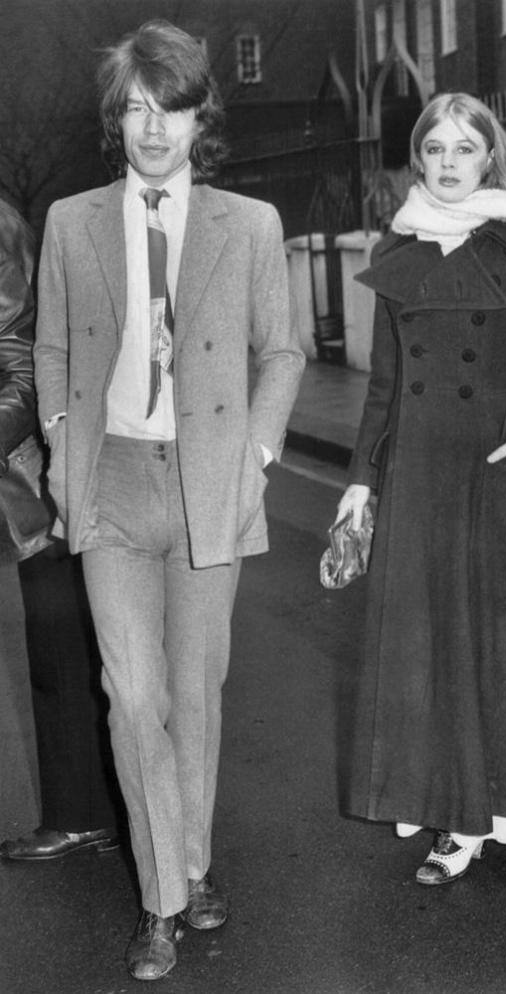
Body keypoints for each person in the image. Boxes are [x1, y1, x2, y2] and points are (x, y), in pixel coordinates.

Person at [33, 20, 304, 982]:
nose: (154, 129)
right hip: (109, 484)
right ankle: (161, 903)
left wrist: (259, 452)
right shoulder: (72, 222)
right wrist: (65, 447)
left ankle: (191, 862)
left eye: (172, 109)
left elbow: (283, 351)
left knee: (194, 694)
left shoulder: (251, 226)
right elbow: (56, 348)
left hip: (207, 485)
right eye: (137, 110)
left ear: (200, 118)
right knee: (132, 694)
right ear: (119, 119)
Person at [335, 92, 506, 887]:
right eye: (435, 149)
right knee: (423, 649)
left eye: (465, 148)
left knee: (499, 647)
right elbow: (385, 388)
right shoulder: (401, 247)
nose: (449, 163)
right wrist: (359, 484)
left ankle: (487, 810)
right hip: (416, 471)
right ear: (416, 159)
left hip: (497, 473)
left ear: (492, 157)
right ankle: (446, 808)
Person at [0, 196, 119, 861]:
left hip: (38, 479)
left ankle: (90, 813)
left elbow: (21, 369)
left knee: (65, 651)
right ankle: (93, 811)